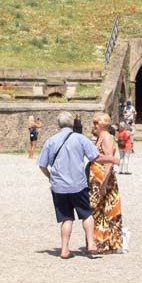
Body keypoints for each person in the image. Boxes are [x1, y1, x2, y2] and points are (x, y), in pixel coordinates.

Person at [37, 111, 100, 259]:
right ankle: (91, 243)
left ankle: (64, 249)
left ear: (58, 125)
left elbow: (42, 165)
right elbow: (94, 156)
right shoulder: (80, 139)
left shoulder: (51, 141)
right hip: (78, 183)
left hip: (59, 186)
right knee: (86, 214)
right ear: (72, 123)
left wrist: (51, 177)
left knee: (66, 218)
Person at [88, 113, 125, 253]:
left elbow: (109, 161)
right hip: (96, 181)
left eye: (96, 123)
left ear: (102, 125)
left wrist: (104, 183)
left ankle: (108, 243)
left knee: (106, 210)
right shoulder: (100, 137)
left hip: (104, 181)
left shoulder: (108, 138)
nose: (94, 126)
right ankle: (100, 241)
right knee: (98, 211)